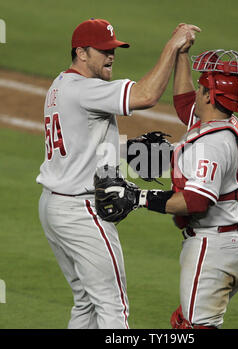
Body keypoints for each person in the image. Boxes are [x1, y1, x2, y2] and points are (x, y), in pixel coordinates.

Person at [36, 18, 200, 329]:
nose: (111, 56)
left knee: (86, 303)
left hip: (54, 206)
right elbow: (146, 95)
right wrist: (173, 45)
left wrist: (125, 150)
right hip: (81, 211)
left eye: (113, 49)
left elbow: (81, 142)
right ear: (81, 53)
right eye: (103, 51)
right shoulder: (85, 89)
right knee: (114, 305)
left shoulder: (60, 85)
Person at [96, 42, 238, 328]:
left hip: (213, 247)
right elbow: (185, 104)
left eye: (201, 85)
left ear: (209, 95)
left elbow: (195, 202)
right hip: (235, 243)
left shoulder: (211, 144)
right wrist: (182, 53)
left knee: (192, 329)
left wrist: (138, 197)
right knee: (188, 322)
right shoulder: (222, 123)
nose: (196, 89)